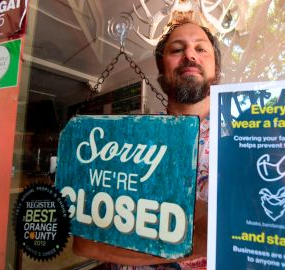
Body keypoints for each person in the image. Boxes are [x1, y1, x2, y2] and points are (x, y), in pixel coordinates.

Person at [72, 20, 222, 269]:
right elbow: (87, 243)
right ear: (162, 71)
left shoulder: (244, 140)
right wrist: (203, 235)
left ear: (216, 68)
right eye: (177, 49)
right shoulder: (130, 143)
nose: (189, 55)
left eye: (200, 48)